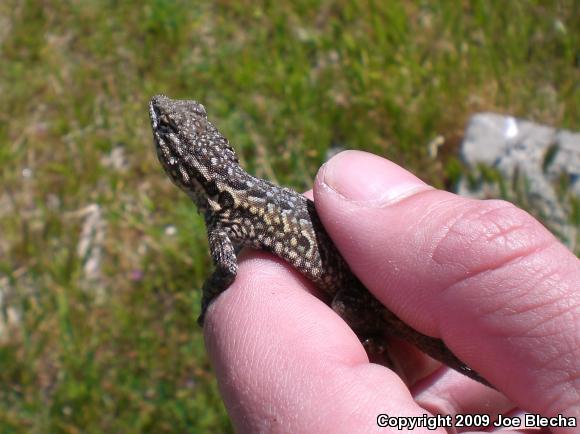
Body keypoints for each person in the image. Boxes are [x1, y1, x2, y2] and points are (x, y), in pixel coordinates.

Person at [202, 151, 580, 433]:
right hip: (368, 287)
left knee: (337, 317)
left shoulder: (224, 216)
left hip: (362, 293)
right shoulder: (239, 199)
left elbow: (227, 270)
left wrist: (209, 295)